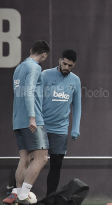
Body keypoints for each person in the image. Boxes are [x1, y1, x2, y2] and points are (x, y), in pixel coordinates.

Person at [3, 40, 50, 205]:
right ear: (44, 54)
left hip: (17, 120)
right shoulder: (34, 67)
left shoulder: (19, 67)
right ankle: (23, 196)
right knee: (42, 157)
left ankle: (16, 193)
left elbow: (19, 93)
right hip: (32, 118)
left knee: (25, 159)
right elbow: (29, 91)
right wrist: (32, 117)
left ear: (31, 50)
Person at [42, 49, 81, 196]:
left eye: (70, 66)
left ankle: (49, 199)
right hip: (42, 128)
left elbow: (77, 106)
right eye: (64, 64)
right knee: (34, 163)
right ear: (60, 60)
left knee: (56, 166)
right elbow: (36, 99)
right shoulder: (45, 75)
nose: (66, 68)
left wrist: (75, 128)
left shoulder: (75, 80)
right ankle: (22, 194)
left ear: (73, 65)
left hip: (60, 130)